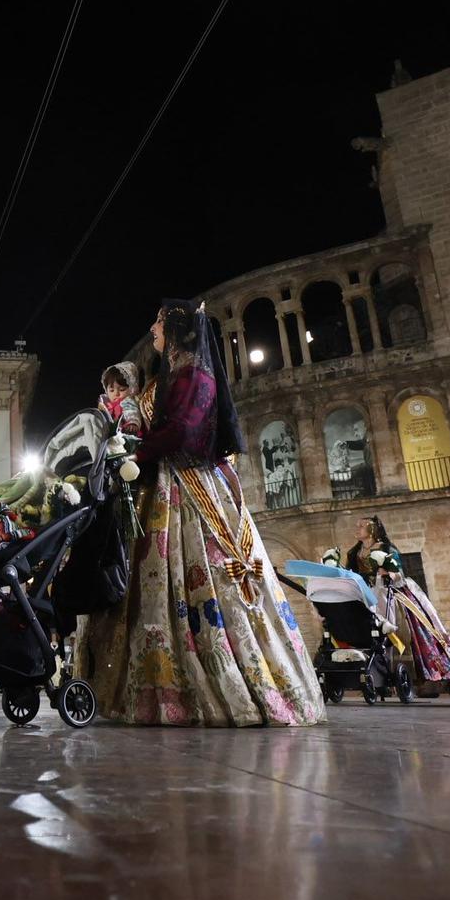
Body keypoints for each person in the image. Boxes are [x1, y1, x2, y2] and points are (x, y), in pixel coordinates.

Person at [81, 300, 324, 727]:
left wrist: (138, 451)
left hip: (187, 489)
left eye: (157, 321)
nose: (151, 327)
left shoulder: (196, 375)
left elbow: (183, 431)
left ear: (175, 330)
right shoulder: (169, 376)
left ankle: (225, 690)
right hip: (160, 483)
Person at [344, 515, 450, 684]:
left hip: (389, 594)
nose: (357, 529)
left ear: (372, 529)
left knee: (402, 631)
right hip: (366, 596)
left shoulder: (387, 549)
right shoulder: (354, 553)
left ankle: (413, 675)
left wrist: (388, 574)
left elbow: (399, 573)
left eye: (361, 526)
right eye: (357, 526)